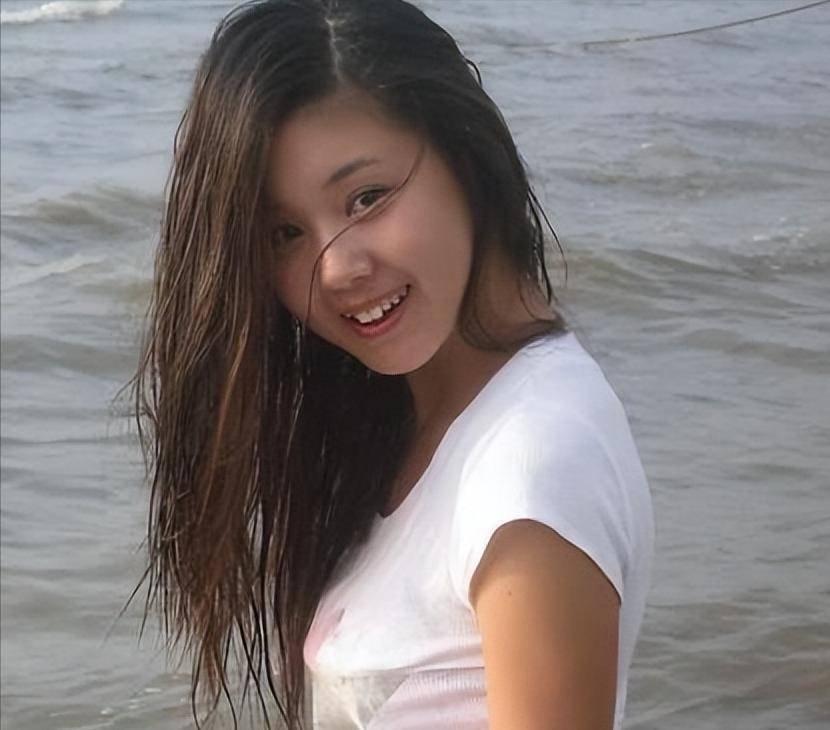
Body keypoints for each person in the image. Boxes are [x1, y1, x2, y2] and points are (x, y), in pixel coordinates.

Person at [128, 0, 655, 728]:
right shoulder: (426, 425)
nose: (336, 267)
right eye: (285, 233)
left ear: (464, 152)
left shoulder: (531, 462)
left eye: (366, 198)